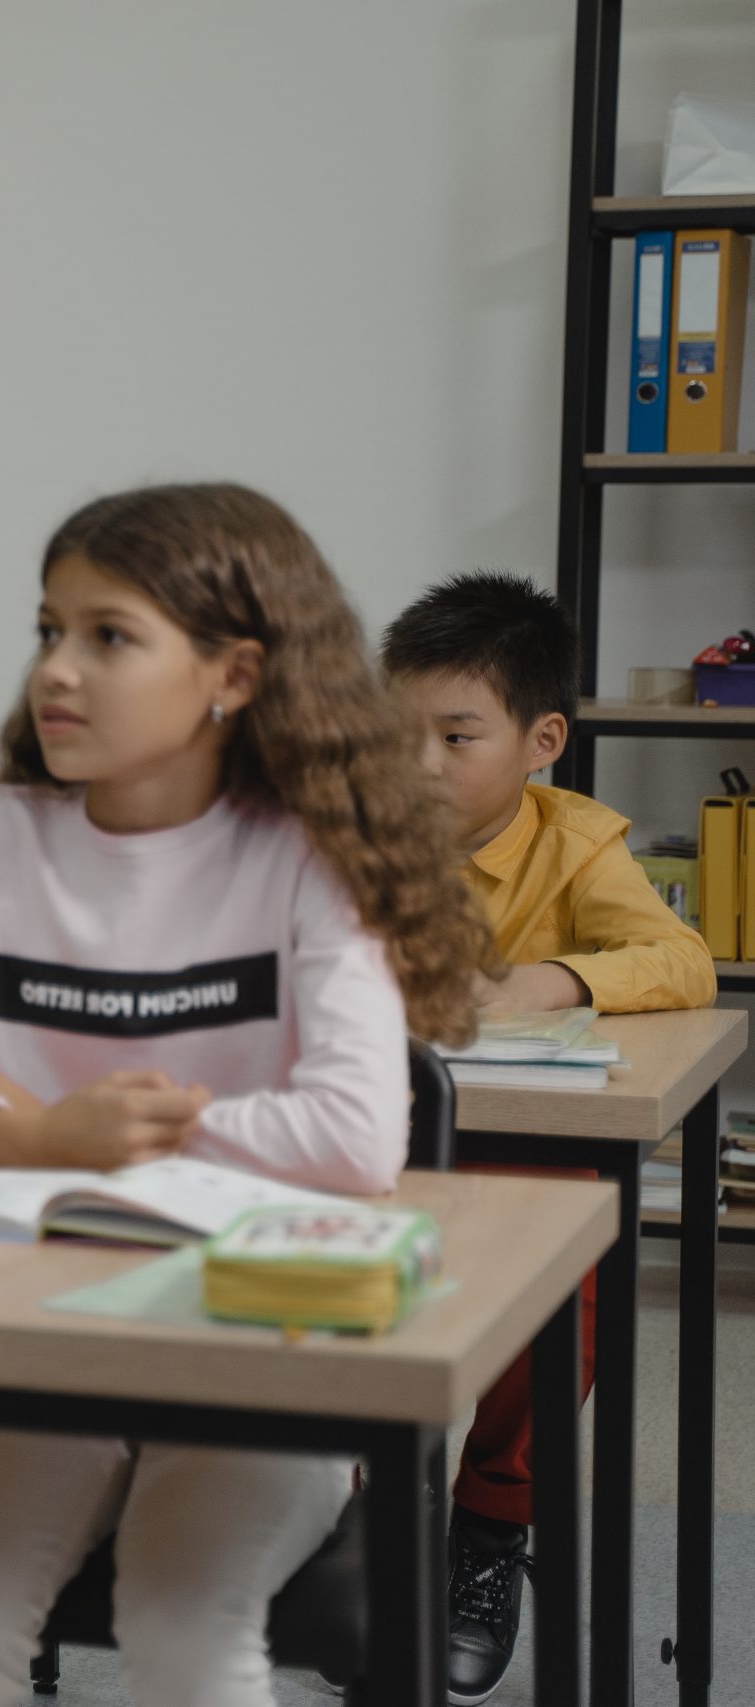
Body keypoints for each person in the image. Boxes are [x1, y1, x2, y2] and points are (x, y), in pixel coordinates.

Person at [0, 483, 488, 1704]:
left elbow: (355, 1138)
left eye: (109, 636)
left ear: (233, 675)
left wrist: (81, 1142)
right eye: (49, 630)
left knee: (187, 1625)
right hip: (40, 1346)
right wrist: (14, 1130)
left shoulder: (307, 851)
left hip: (255, 1348)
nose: (58, 671)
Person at [383, 570, 715, 1704]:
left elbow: (682, 964)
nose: (417, 763)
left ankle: (488, 1528)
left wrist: (550, 974)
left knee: (565, 1270)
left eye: (454, 735)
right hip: (360, 1134)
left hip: (510, 1140)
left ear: (542, 741)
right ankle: (352, 1519)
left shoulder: (574, 847)